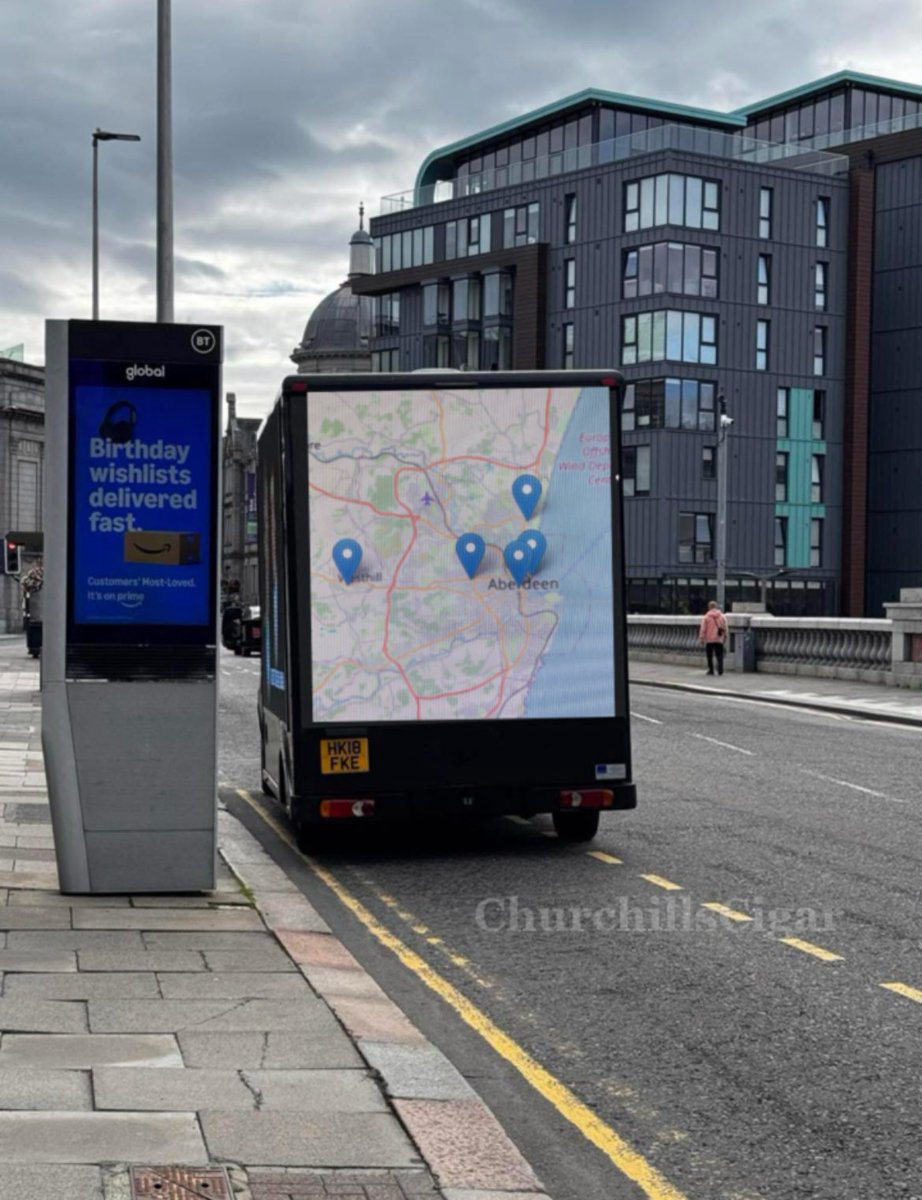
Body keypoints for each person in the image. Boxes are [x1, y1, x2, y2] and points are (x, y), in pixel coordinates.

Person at [699, 600, 728, 676]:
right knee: (720, 655)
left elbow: (703, 628)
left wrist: (702, 638)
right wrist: (725, 636)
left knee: (709, 655)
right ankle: (720, 670)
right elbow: (725, 627)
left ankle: (711, 670)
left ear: (709, 607)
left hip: (709, 639)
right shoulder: (722, 616)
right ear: (716, 607)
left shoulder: (706, 617)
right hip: (719, 638)